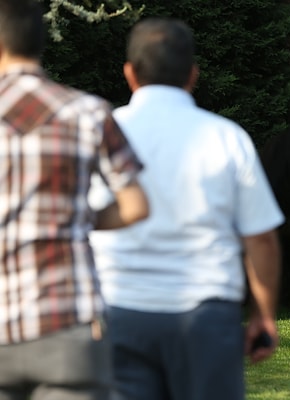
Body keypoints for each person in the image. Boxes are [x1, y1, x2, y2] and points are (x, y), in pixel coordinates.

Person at [88, 17, 284, 400]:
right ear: (193, 74)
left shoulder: (101, 133)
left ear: (129, 73)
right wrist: (263, 314)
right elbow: (260, 238)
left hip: (119, 310)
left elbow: (81, 225)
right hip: (206, 316)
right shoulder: (227, 138)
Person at [0, 1, 149, 399]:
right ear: (39, 41)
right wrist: (78, 217)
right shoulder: (89, 112)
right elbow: (136, 205)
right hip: (67, 325)